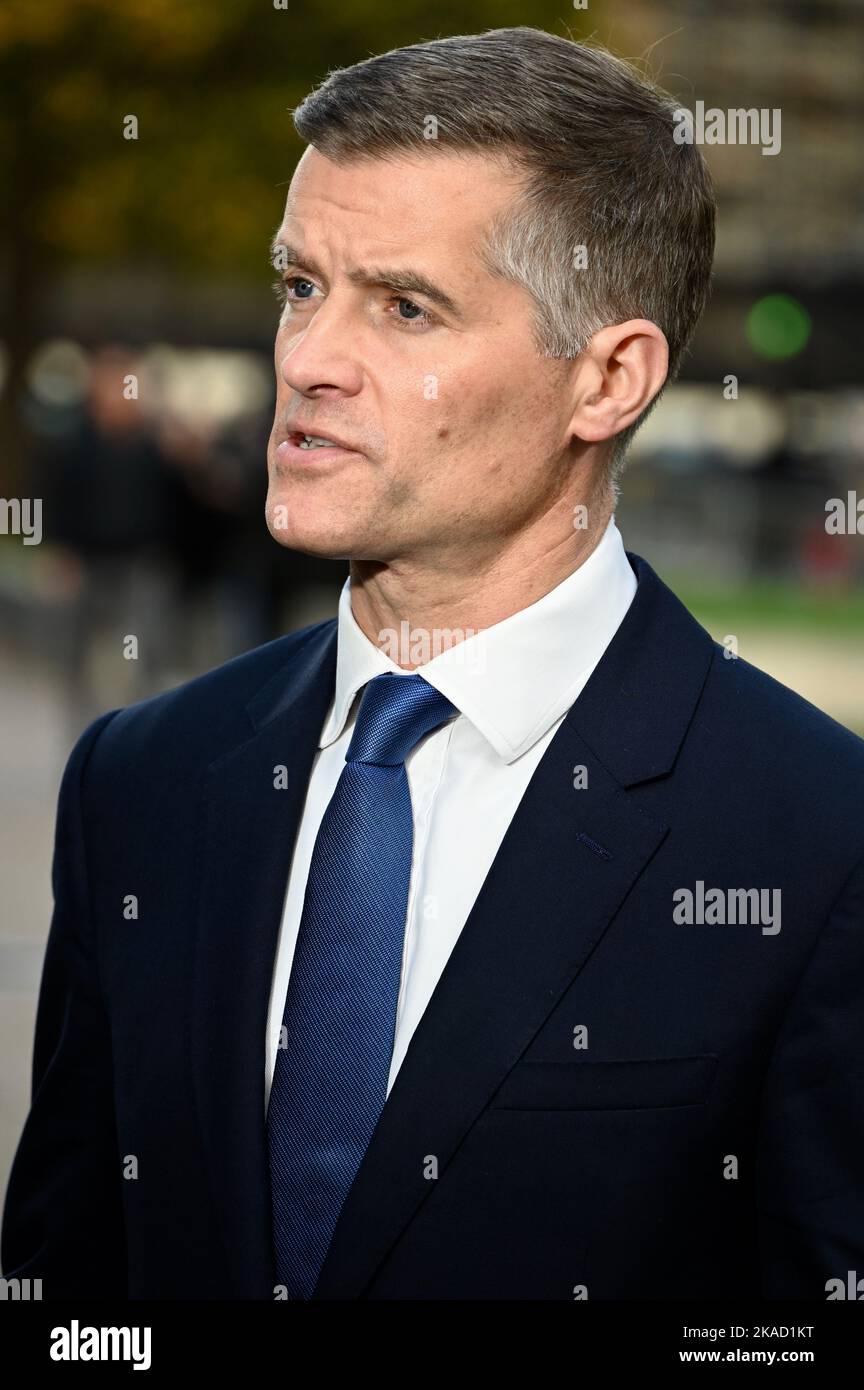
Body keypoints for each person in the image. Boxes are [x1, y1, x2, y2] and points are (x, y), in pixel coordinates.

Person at [2, 28, 862, 1302]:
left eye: (404, 306)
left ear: (609, 377)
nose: (307, 361)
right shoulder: (143, 780)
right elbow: (74, 1302)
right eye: (302, 286)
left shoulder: (819, 836)